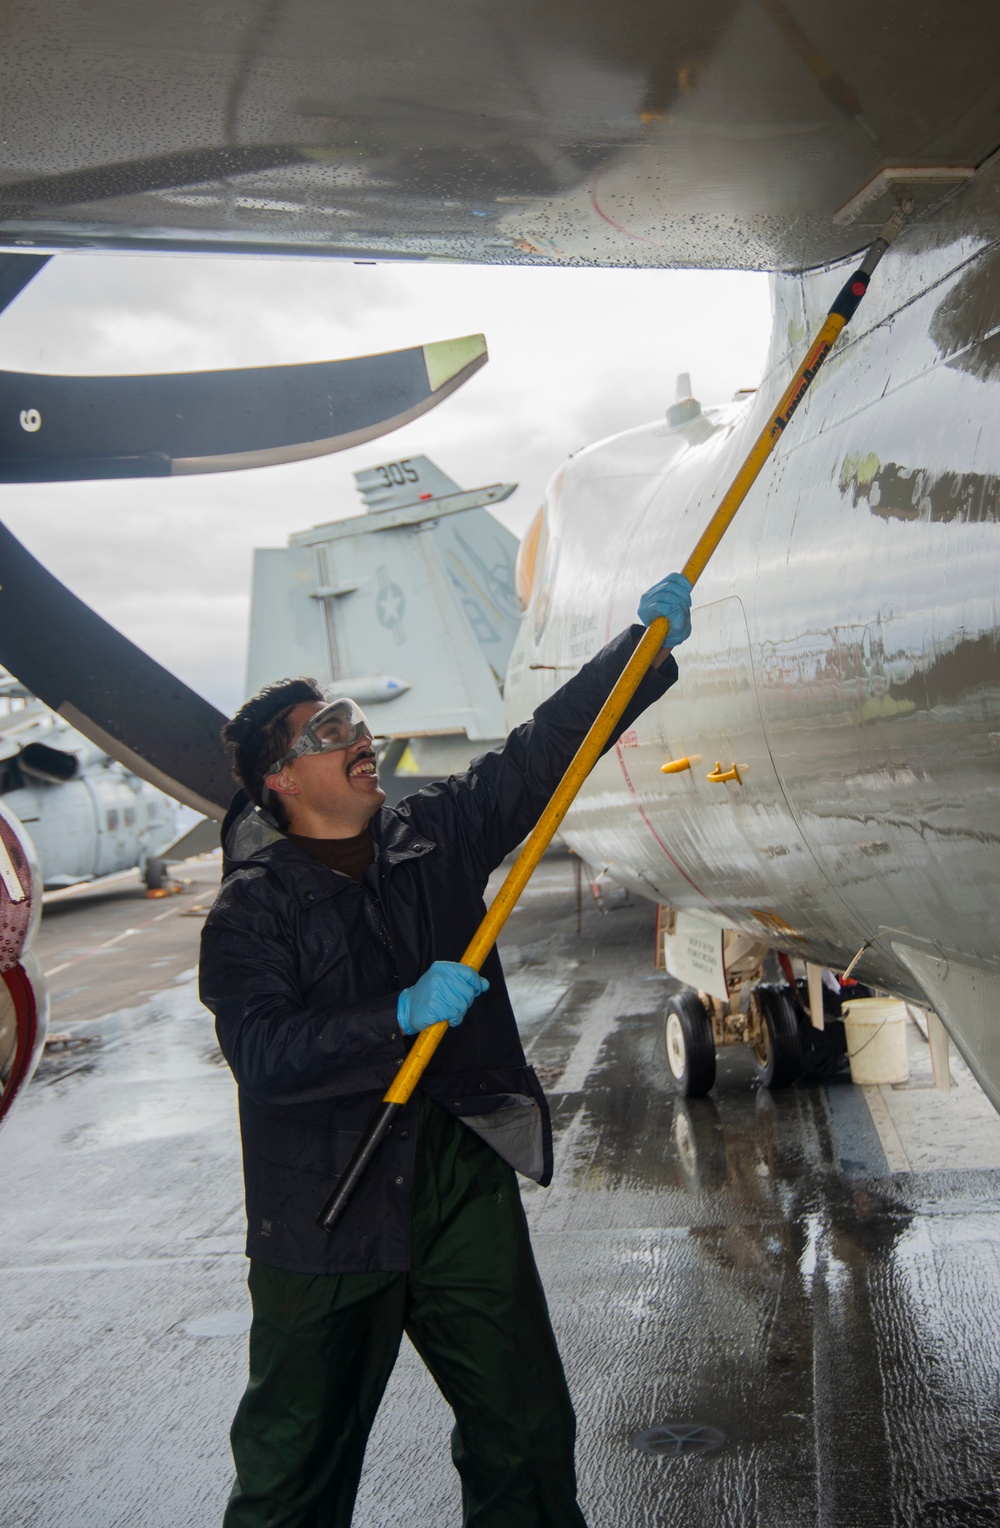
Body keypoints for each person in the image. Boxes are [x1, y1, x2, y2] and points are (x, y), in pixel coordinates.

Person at [199, 572, 693, 1528]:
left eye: (357, 723)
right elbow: (264, 1054)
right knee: (295, 1469)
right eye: (331, 732)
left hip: (457, 1174)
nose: (361, 741)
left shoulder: (433, 837)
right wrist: (398, 1016)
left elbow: (541, 754)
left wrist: (640, 650)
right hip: (326, 1210)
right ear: (281, 779)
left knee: (526, 1433)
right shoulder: (249, 910)